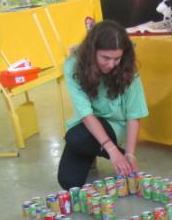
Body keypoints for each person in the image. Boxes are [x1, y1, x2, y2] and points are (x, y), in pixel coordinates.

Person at [57, 20, 148, 190]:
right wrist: (114, 152)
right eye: (105, 58)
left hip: (115, 126)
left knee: (79, 139)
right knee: (69, 182)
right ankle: (93, 151)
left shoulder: (128, 70)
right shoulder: (73, 65)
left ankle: (96, 149)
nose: (112, 64)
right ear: (92, 52)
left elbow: (133, 116)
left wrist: (129, 153)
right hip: (86, 123)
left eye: (117, 58)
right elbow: (85, 114)